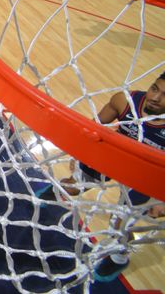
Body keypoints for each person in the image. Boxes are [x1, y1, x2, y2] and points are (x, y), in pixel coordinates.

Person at [36, 72, 165, 282]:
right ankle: (57, 191)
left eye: (164, 95)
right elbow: (94, 127)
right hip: (115, 156)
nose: (155, 97)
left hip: (147, 174)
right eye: (154, 88)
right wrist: (81, 151)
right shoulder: (125, 100)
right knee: (73, 185)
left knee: (121, 223)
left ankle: (119, 256)